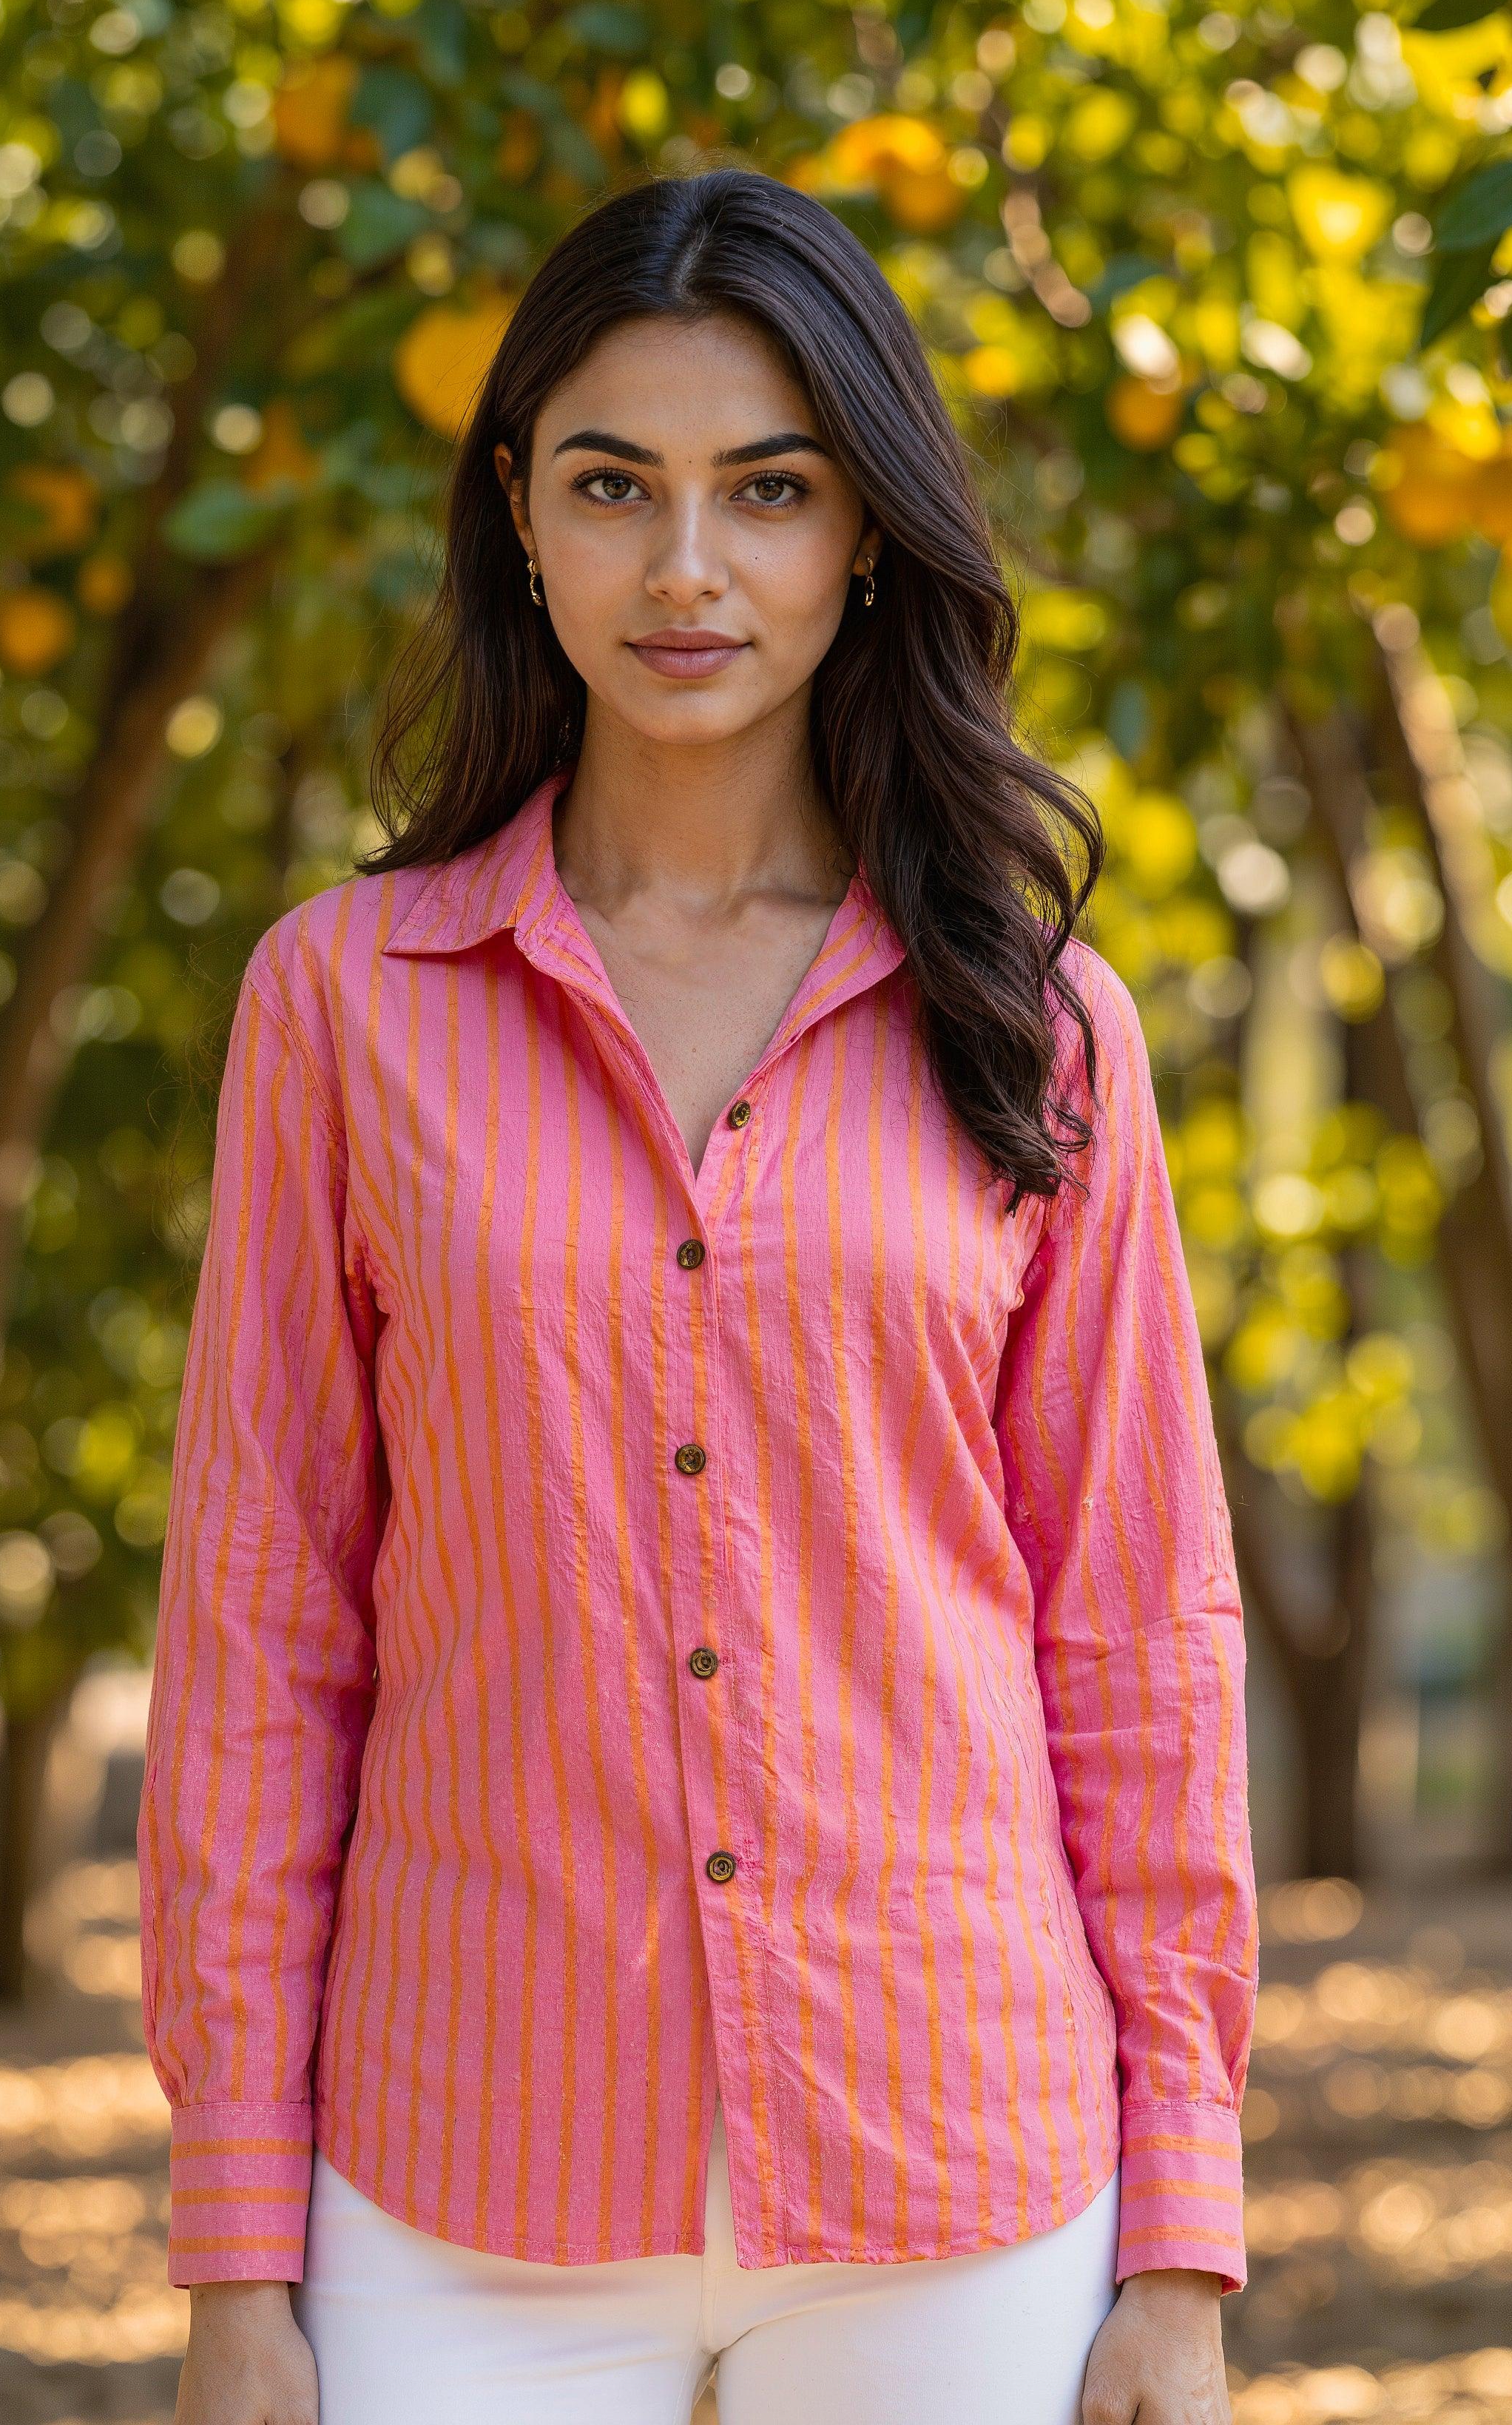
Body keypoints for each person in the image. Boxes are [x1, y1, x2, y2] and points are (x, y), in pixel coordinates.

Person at [140, 166, 1258, 2425]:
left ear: (865, 534)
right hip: (459, 2189)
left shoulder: (1039, 1029)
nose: (686, 568)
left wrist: (1185, 2245)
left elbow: (1138, 1632)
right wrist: (239, 2249)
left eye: (768, 490)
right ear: (518, 519)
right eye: (613, 486)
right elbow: (263, 1628)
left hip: (961, 2171)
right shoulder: (345, 1005)